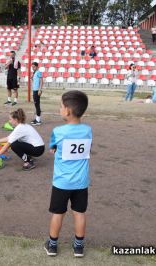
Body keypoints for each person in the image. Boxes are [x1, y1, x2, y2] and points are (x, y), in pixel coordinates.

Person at [44, 90, 92, 258]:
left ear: (68, 110)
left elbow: (52, 147)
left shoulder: (59, 131)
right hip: (81, 182)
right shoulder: (88, 130)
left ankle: (52, 245)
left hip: (62, 182)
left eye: (61, 106)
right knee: (79, 213)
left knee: (58, 213)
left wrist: (55, 148)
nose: (60, 109)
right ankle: (78, 247)